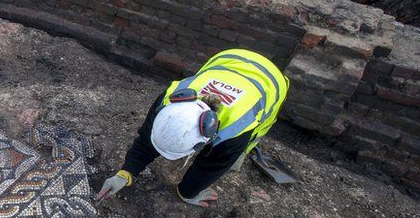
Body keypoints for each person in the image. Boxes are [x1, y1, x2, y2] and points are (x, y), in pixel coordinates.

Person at [96, 48, 289, 207]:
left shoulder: (236, 129)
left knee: (245, 141)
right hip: (229, 59)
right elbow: (147, 140)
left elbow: (212, 165)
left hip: (272, 83)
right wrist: (126, 172)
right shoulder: (168, 99)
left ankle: (242, 153)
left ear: (203, 143)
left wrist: (188, 191)